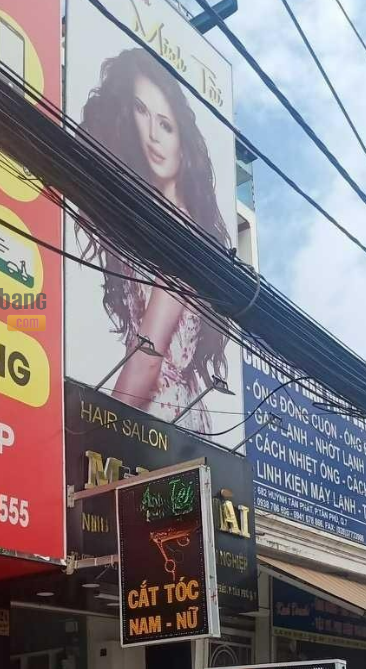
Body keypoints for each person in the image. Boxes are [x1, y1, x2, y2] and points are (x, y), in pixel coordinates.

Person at [77, 48, 231, 434]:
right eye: (141, 111)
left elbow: (147, 357)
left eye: (165, 125)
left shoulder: (182, 229)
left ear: (183, 141)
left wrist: (99, 431)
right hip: (161, 422)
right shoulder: (149, 222)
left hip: (164, 419)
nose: (152, 135)